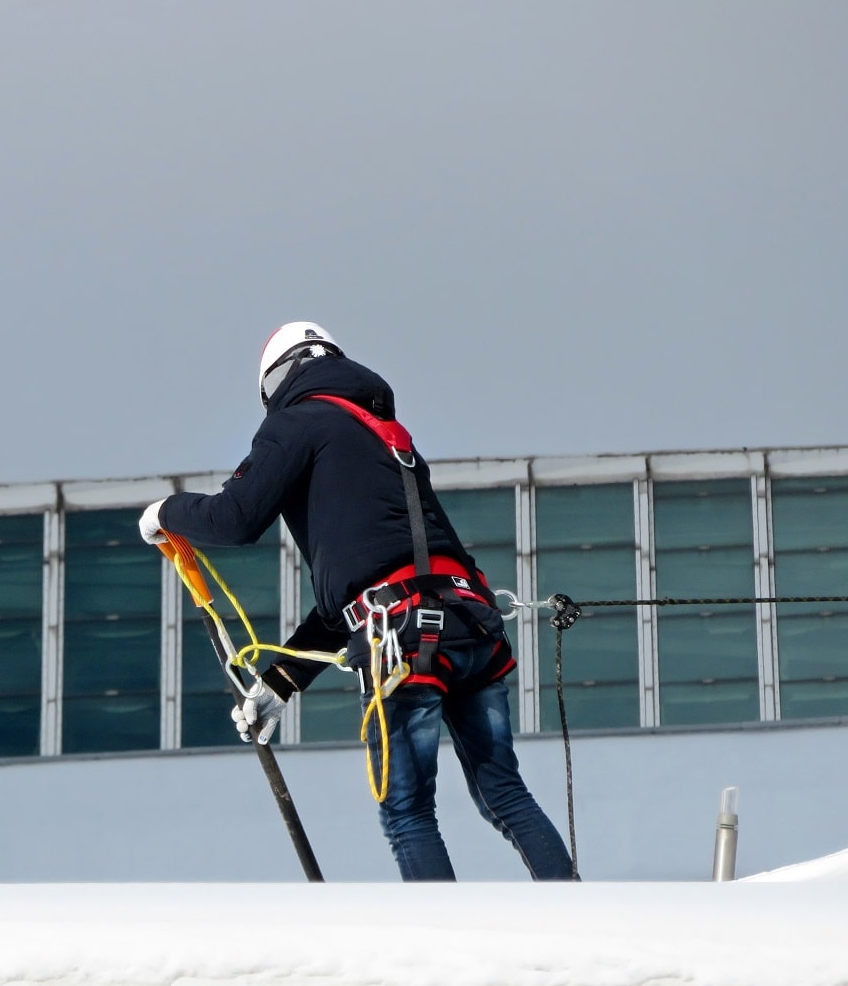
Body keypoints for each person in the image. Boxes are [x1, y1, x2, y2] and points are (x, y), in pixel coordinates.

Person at [137, 321, 575, 881]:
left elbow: (235, 517)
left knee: (408, 812)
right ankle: (577, 912)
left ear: (278, 382)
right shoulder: (389, 435)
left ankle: (444, 949)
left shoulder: (295, 424)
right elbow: (354, 598)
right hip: (470, 624)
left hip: (402, 640)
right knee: (504, 793)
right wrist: (279, 684)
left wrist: (166, 512)